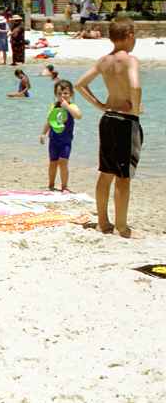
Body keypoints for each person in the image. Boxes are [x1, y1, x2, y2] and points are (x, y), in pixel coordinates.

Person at [75, 16, 143, 238]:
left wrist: (100, 105)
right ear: (130, 36)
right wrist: (135, 108)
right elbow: (135, 85)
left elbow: (80, 85)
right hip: (125, 121)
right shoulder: (130, 60)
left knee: (105, 172)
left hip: (107, 118)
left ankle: (102, 222)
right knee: (123, 176)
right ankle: (122, 227)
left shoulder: (104, 60)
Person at [40, 80, 82, 193]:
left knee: (63, 162)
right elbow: (49, 121)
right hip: (53, 139)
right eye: (59, 94)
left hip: (66, 141)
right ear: (55, 95)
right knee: (53, 163)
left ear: (71, 94)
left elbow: (78, 116)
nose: (62, 96)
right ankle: (51, 185)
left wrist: (67, 106)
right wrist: (43, 133)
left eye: (65, 93)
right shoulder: (54, 106)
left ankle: (64, 186)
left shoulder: (72, 106)